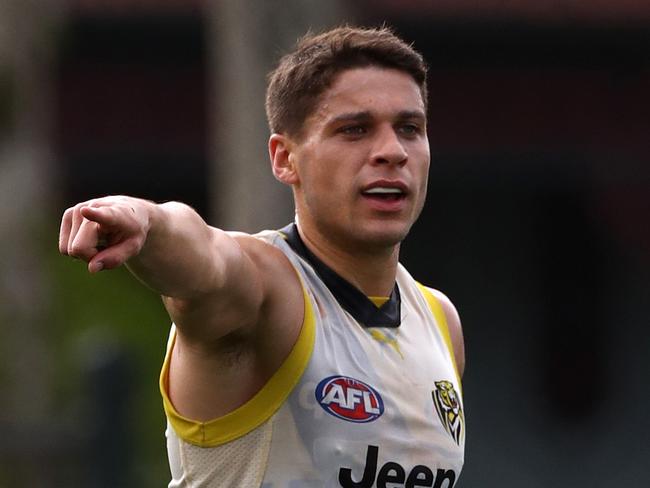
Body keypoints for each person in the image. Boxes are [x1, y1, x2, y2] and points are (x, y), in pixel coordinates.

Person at [59, 25, 465, 487]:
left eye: (409, 128)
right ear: (284, 158)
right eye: (355, 130)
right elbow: (207, 261)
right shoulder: (267, 291)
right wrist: (146, 222)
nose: (392, 152)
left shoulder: (439, 321)